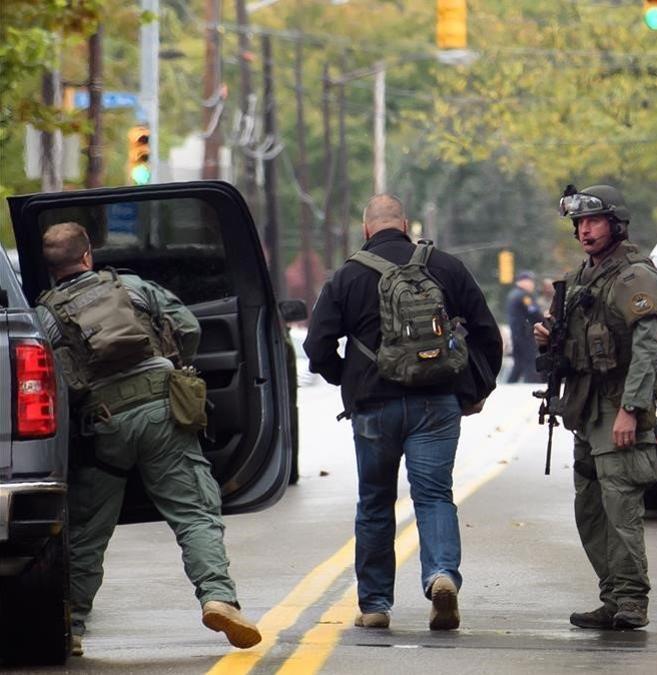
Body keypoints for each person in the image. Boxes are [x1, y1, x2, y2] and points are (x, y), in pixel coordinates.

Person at [34, 222, 260, 657]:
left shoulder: (46, 314)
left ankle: (73, 626)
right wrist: (174, 366)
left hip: (104, 425)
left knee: (86, 533)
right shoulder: (132, 288)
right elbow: (188, 326)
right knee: (194, 513)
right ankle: (218, 598)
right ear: (87, 257)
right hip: (163, 412)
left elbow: (50, 378)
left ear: (51, 267)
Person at [304, 195, 502, 631]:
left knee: (375, 502)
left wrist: (348, 379)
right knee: (434, 495)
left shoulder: (347, 277)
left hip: (373, 408)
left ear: (366, 229)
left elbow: (316, 347)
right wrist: (475, 390)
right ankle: (441, 575)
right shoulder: (445, 266)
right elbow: (487, 332)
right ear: (406, 224)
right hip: (437, 402)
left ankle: (375, 606)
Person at [533, 184, 657, 630]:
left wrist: (632, 408)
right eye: (580, 224)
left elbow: (648, 346)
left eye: (593, 221)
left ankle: (631, 601)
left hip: (616, 407)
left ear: (615, 224)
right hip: (586, 410)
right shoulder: (583, 278)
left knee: (620, 507)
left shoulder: (634, 277)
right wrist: (551, 339)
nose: (585, 230)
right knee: (589, 509)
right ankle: (612, 596)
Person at [504, 270, 543, 383]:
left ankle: (509, 385)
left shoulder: (513, 294)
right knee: (530, 361)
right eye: (530, 281)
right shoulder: (524, 296)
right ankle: (531, 386)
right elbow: (534, 312)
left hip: (516, 334)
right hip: (525, 334)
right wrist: (546, 321)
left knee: (519, 363)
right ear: (522, 282)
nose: (532, 284)